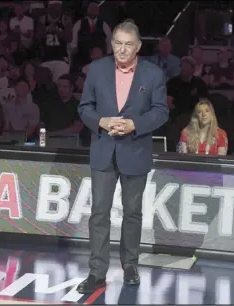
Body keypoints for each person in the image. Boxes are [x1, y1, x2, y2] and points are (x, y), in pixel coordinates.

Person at [76, 19, 168, 293]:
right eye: (117, 44)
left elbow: (161, 111)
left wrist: (134, 124)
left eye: (128, 45)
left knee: (133, 214)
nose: (122, 50)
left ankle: (130, 266)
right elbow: (84, 108)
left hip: (135, 150)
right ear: (111, 44)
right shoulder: (96, 69)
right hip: (104, 150)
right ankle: (97, 273)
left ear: (138, 47)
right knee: (99, 214)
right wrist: (101, 121)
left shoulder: (153, 74)